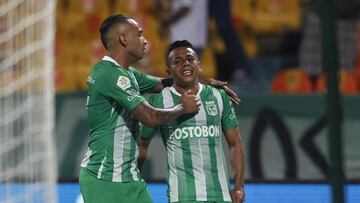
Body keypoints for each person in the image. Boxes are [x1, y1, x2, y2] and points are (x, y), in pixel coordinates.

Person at [79, 14, 240, 203]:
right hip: (103, 177)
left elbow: (164, 83)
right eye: (139, 35)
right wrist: (182, 108)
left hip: (129, 178)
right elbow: (149, 117)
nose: (145, 41)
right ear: (123, 39)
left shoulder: (127, 74)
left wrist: (202, 81)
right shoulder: (109, 74)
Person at [138, 40, 246, 203]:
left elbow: (235, 143)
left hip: (220, 196)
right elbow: (142, 143)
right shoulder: (159, 102)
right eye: (178, 61)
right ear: (169, 71)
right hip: (182, 197)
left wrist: (238, 186)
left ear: (199, 64)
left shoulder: (218, 96)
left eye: (190, 58)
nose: (185, 63)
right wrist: (136, 181)